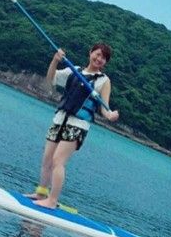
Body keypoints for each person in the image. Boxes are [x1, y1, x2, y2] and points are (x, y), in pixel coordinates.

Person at [31, 43, 119, 208]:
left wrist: (110, 115)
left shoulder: (103, 81)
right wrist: (55, 61)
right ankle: (41, 192)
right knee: (47, 159)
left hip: (77, 125)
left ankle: (52, 200)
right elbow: (51, 79)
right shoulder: (74, 70)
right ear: (90, 52)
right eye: (97, 54)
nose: (99, 59)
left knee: (58, 161)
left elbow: (105, 108)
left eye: (104, 58)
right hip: (60, 119)